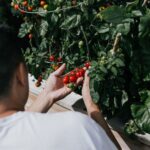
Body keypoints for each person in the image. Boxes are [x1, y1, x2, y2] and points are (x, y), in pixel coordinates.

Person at [0, 24, 121, 150]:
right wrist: (92, 107)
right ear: (19, 75)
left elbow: (15, 128)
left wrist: (47, 96)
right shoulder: (75, 128)